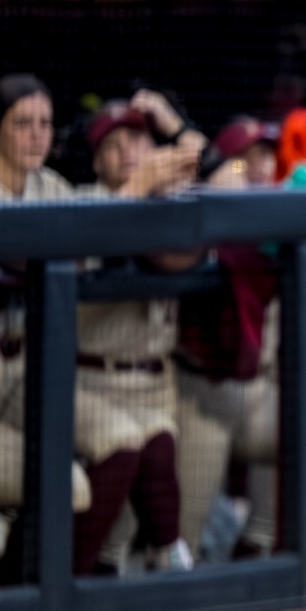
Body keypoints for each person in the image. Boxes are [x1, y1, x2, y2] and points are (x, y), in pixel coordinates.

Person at [172, 108, 306, 560]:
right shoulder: (195, 223)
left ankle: (271, 579)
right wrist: (217, 170)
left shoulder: (288, 216)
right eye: (241, 159)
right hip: (199, 396)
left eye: (266, 156)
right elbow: (221, 198)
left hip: (260, 393)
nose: (255, 166)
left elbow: (293, 210)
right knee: (180, 542)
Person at [72, 95, 206, 575]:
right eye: (113, 143)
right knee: (105, 499)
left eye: (138, 138)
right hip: (89, 378)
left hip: (153, 382)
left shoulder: (173, 198)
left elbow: (222, 173)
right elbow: (93, 241)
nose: (128, 150)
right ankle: (65, 589)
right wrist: (142, 186)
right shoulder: (83, 201)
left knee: (160, 480)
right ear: (95, 160)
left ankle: (166, 571)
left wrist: (177, 126)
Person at [0, 76, 96, 583]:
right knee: (60, 484)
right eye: (22, 123)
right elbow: (29, 252)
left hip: (15, 394)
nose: (36, 135)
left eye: (44, 124)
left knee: (78, 475)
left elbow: (89, 250)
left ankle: (11, 596)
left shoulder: (54, 189)